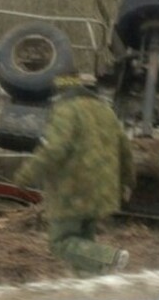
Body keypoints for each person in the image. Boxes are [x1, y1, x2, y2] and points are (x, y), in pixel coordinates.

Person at [13, 72, 136, 276]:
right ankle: (91, 287)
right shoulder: (106, 111)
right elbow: (125, 151)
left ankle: (111, 256)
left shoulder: (66, 110)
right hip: (102, 190)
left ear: (59, 91)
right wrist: (127, 182)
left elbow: (54, 149)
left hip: (73, 191)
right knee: (84, 245)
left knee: (61, 242)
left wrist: (26, 175)